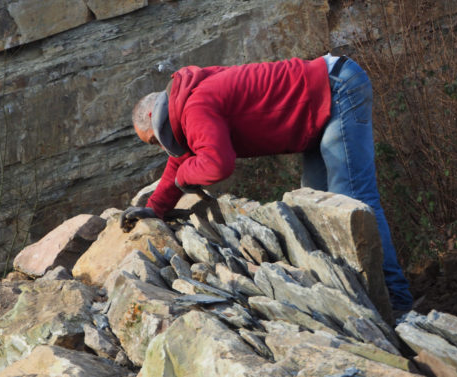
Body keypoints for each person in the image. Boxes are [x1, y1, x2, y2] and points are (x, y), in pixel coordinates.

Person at [123, 54, 413, 315]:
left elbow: (216, 164)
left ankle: (397, 301)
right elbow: (183, 159)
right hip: (318, 107)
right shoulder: (186, 103)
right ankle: (359, 297)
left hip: (337, 88)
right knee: (312, 208)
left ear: (156, 121)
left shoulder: (196, 106)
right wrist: (154, 209)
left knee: (351, 199)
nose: (160, 148)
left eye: (153, 141)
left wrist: (183, 178)